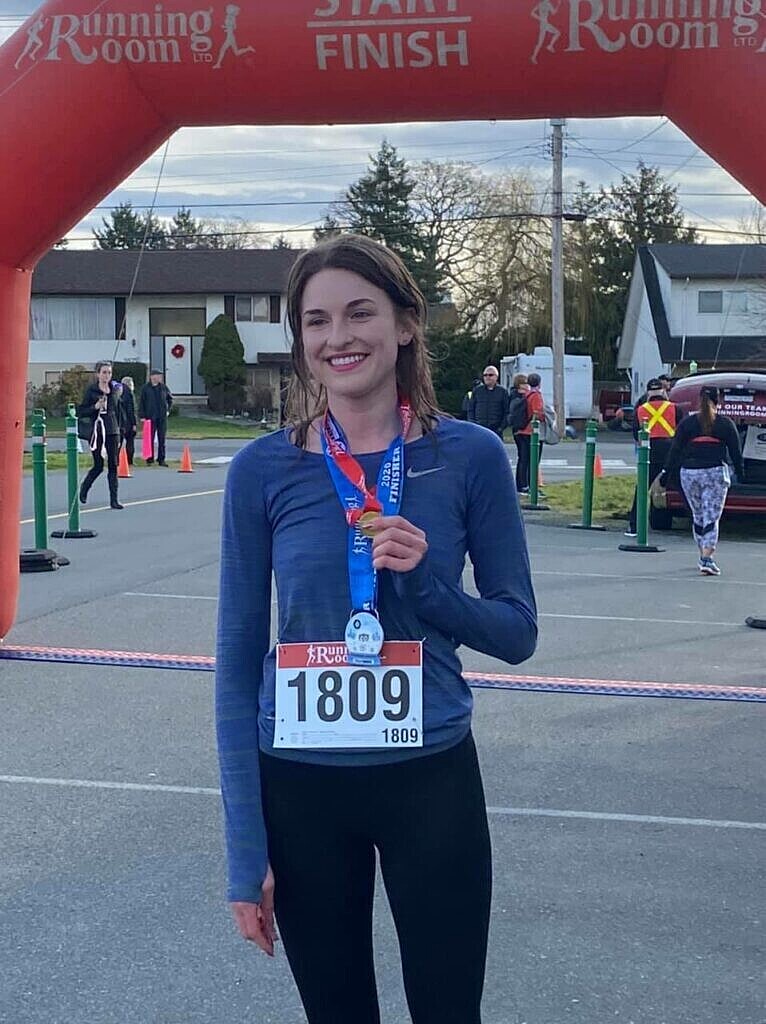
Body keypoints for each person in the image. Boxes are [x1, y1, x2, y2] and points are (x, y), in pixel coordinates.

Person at [216, 234, 537, 1024]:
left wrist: (428, 586)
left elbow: (517, 632)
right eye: (317, 321)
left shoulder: (470, 457)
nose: (339, 337)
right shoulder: (262, 469)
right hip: (301, 786)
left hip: (430, 778)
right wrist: (245, 851)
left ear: (405, 325)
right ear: (301, 339)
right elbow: (235, 665)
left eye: (360, 313)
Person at [660, 385, 744, 575]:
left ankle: (702, 554)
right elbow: (735, 453)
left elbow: (675, 449)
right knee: (711, 516)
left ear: (699, 400)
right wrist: (740, 473)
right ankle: (707, 557)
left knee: (698, 515)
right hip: (714, 472)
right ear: (718, 401)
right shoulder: (725, 424)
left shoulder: (688, 423)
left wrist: (666, 473)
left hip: (689, 473)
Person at [624, 377, 680, 537]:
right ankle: (697, 523)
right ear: (663, 391)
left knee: (642, 489)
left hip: (649, 452)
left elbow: (636, 435)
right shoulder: (675, 408)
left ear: (648, 393)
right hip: (670, 452)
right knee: (680, 488)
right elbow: (681, 431)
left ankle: (634, 526)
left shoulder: (640, 410)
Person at [77, 360, 123, 510]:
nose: (107, 375)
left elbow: (118, 411)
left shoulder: (114, 390)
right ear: (98, 374)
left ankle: (114, 499)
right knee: (98, 465)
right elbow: (81, 411)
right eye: (104, 372)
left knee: (113, 465)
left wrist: (121, 429)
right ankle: (85, 488)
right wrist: (95, 407)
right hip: (97, 431)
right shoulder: (92, 391)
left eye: (109, 372)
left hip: (112, 430)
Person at [514, 371, 546, 493]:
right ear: (539, 383)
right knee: (533, 460)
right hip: (531, 432)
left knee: (523, 459)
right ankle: (531, 487)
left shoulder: (526, 395)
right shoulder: (536, 395)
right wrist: (544, 417)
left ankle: (521, 485)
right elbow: (537, 413)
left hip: (521, 430)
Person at [138, 369, 173, 465]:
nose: (158, 378)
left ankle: (161, 459)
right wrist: (142, 415)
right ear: (152, 377)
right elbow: (142, 402)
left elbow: (170, 399)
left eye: (159, 376)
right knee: (149, 438)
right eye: (156, 376)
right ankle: (149, 459)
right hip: (150, 417)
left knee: (162, 439)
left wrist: (168, 410)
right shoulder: (146, 388)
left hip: (162, 417)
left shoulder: (163, 387)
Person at [467, 365, 509, 440]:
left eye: (490, 375)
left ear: (496, 377)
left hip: (496, 431)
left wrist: (501, 428)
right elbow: (471, 409)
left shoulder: (502, 392)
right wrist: (473, 423)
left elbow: (507, 411)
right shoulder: (477, 391)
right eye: (485, 375)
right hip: (479, 429)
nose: (487, 377)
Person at [508, 372, 531, 493]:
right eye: (525, 383)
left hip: (517, 429)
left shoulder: (513, 395)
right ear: (520, 384)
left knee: (523, 457)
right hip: (521, 429)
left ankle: (522, 484)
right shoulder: (520, 397)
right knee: (524, 457)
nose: (527, 385)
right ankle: (522, 484)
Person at [119, 375, 137, 466]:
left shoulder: (118, 392)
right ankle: (129, 460)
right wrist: (134, 423)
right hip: (128, 422)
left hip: (119, 421)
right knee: (130, 441)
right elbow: (131, 410)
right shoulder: (129, 393)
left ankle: (116, 460)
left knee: (119, 441)